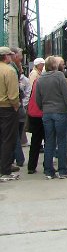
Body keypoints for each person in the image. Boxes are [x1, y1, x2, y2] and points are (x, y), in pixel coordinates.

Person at [35, 56, 67, 179]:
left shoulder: (40, 79)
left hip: (47, 113)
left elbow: (38, 99)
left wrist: (43, 108)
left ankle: (48, 171)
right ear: (55, 65)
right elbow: (66, 95)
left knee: (49, 141)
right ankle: (63, 171)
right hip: (60, 112)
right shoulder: (60, 76)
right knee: (62, 141)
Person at [0, 46, 20, 180]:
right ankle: (5, 171)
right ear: (6, 56)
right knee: (8, 139)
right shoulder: (9, 71)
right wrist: (16, 107)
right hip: (7, 108)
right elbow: (13, 95)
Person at [26, 72, 45, 174]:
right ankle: (47, 164)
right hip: (42, 112)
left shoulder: (37, 81)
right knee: (49, 140)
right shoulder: (46, 81)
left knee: (35, 140)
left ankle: (31, 166)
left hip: (33, 112)